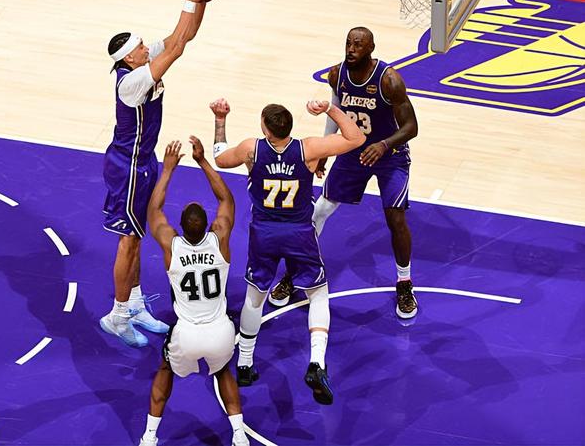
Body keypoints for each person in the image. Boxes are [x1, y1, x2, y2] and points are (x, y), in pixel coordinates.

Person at [210, 97, 365, 405]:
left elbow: (220, 158)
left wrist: (220, 119)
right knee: (318, 294)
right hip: (299, 233)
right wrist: (329, 109)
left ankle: (245, 364)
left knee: (255, 296)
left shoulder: (252, 149)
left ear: (266, 130)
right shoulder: (308, 149)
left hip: (264, 233)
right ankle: (317, 363)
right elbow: (356, 138)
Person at [268, 27, 419, 320]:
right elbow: (335, 112)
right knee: (319, 211)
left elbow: (411, 127)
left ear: (370, 48)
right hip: (354, 151)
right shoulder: (337, 75)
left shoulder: (389, 80)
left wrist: (383, 145)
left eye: (358, 45)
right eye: (348, 43)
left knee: (395, 218)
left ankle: (404, 282)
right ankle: (294, 272)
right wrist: (326, 150)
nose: (351, 49)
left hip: (390, 155)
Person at [100, 0, 217, 347]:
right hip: (128, 167)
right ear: (129, 58)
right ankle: (118, 315)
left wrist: (200, 2)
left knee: (138, 237)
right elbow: (176, 49)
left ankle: (134, 303)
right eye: (140, 47)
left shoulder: (140, 60)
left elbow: (184, 36)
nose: (146, 48)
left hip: (144, 161)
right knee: (128, 241)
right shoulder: (132, 81)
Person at [139, 137, 249, 446]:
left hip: (186, 333)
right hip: (220, 331)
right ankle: (239, 435)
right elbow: (227, 200)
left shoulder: (171, 246)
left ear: (182, 227)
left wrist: (168, 169)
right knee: (223, 371)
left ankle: (149, 437)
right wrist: (202, 161)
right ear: (207, 225)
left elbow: (154, 210)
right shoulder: (220, 240)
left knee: (165, 369)